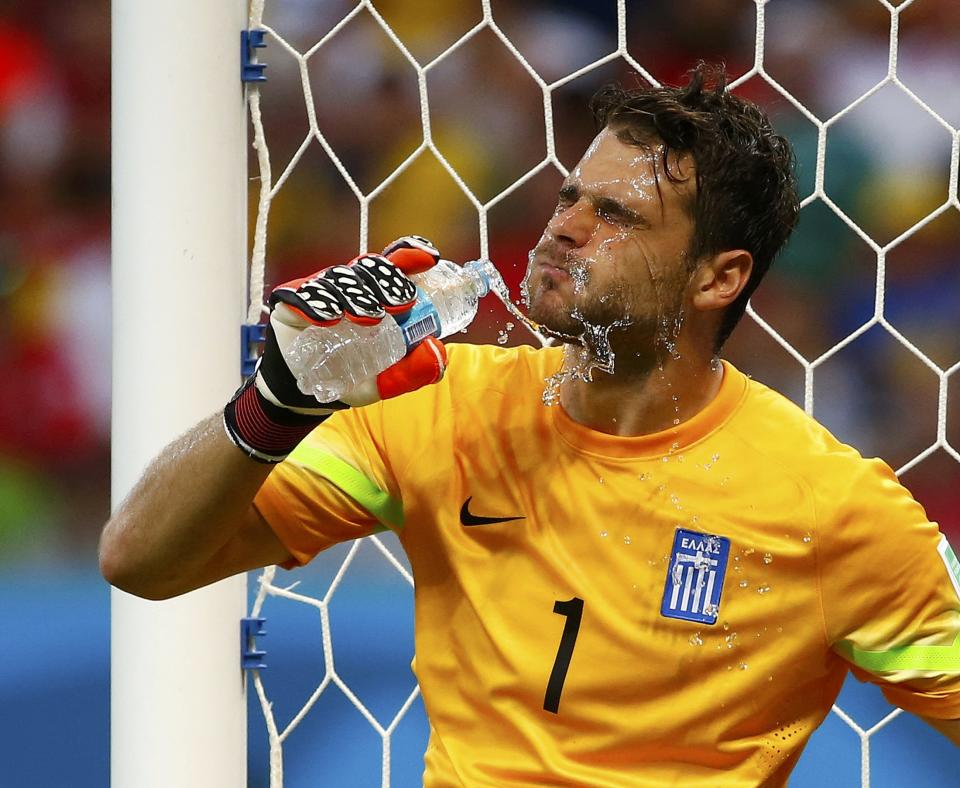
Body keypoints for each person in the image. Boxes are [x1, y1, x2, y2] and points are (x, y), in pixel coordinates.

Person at [100, 64, 960, 785]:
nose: (562, 230)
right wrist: (277, 404)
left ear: (718, 277)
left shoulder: (831, 507)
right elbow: (141, 559)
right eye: (569, 198)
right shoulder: (442, 404)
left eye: (616, 217)